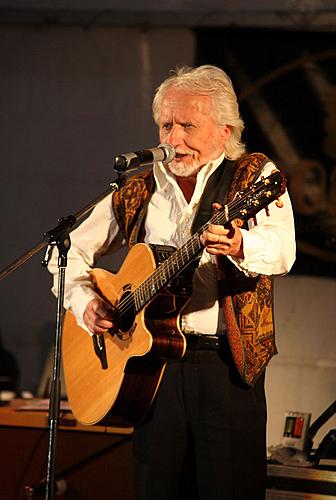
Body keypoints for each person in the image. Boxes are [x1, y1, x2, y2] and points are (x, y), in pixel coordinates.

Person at [49, 65, 295, 499]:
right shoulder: (140, 186)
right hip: (151, 369)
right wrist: (84, 301)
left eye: (187, 126)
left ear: (225, 131)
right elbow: (64, 251)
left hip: (227, 368)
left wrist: (239, 244)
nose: (173, 139)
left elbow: (282, 250)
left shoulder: (254, 176)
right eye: (166, 125)